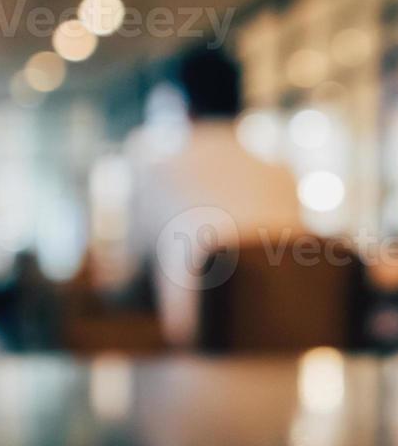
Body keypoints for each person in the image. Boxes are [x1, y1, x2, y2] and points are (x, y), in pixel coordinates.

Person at [128, 47, 301, 348]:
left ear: (185, 106)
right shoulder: (281, 173)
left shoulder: (160, 173)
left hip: (191, 351)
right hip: (285, 343)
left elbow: (128, 270)